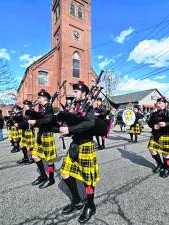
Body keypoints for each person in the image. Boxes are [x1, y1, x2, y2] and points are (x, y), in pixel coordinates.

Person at [59, 81, 100, 223]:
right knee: (64, 173)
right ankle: (76, 200)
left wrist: (69, 130)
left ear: (83, 93)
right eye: (74, 91)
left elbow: (90, 123)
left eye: (76, 92)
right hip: (75, 144)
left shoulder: (88, 106)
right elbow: (76, 124)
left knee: (88, 180)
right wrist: (66, 132)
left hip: (86, 145)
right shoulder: (75, 106)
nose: (73, 94)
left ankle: (90, 205)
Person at [147, 97, 169, 178]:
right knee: (151, 149)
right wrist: (153, 125)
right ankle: (160, 164)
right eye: (157, 103)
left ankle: (166, 168)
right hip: (156, 135)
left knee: (165, 154)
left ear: (165, 104)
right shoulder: (153, 114)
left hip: (167, 135)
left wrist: (166, 124)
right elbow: (149, 123)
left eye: (160, 103)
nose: (158, 104)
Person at [30, 89, 57, 189]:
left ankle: (51, 178)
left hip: (47, 135)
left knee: (49, 160)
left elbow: (49, 119)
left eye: (40, 97)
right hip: (41, 135)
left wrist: (36, 122)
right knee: (35, 156)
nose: (39, 99)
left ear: (45, 98)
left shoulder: (49, 107)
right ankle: (43, 175)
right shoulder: (43, 108)